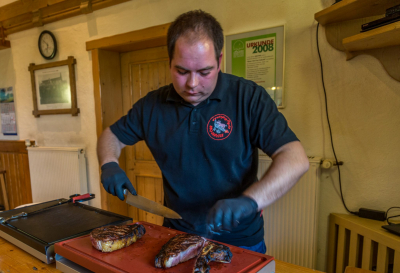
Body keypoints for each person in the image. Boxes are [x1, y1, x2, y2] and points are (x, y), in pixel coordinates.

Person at [97, 10, 309, 254]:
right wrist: (109, 163)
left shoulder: (248, 98)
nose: (192, 84)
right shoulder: (152, 106)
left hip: (240, 240)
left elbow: (295, 157)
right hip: (177, 235)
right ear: (169, 63)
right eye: (182, 71)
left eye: (204, 72)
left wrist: (251, 201)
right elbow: (111, 136)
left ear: (219, 61)